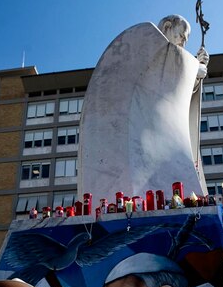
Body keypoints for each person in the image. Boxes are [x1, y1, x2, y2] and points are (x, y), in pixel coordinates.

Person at [77, 14, 209, 199]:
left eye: (185, 40)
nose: (183, 43)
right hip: (131, 138)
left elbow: (171, 92)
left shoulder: (167, 59)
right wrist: (194, 67)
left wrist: (195, 71)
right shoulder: (144, 39)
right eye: (181, 36)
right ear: (167, 27)